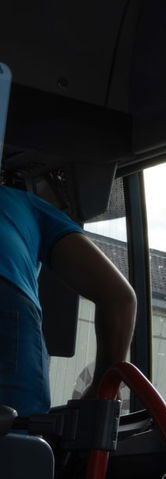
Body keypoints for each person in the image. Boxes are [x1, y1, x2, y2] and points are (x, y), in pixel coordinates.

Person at [0, 178, 135, 418]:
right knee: (16, 441)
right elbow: (119, 297)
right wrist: (102, 390)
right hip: (7, 296)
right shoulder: (28, 204)